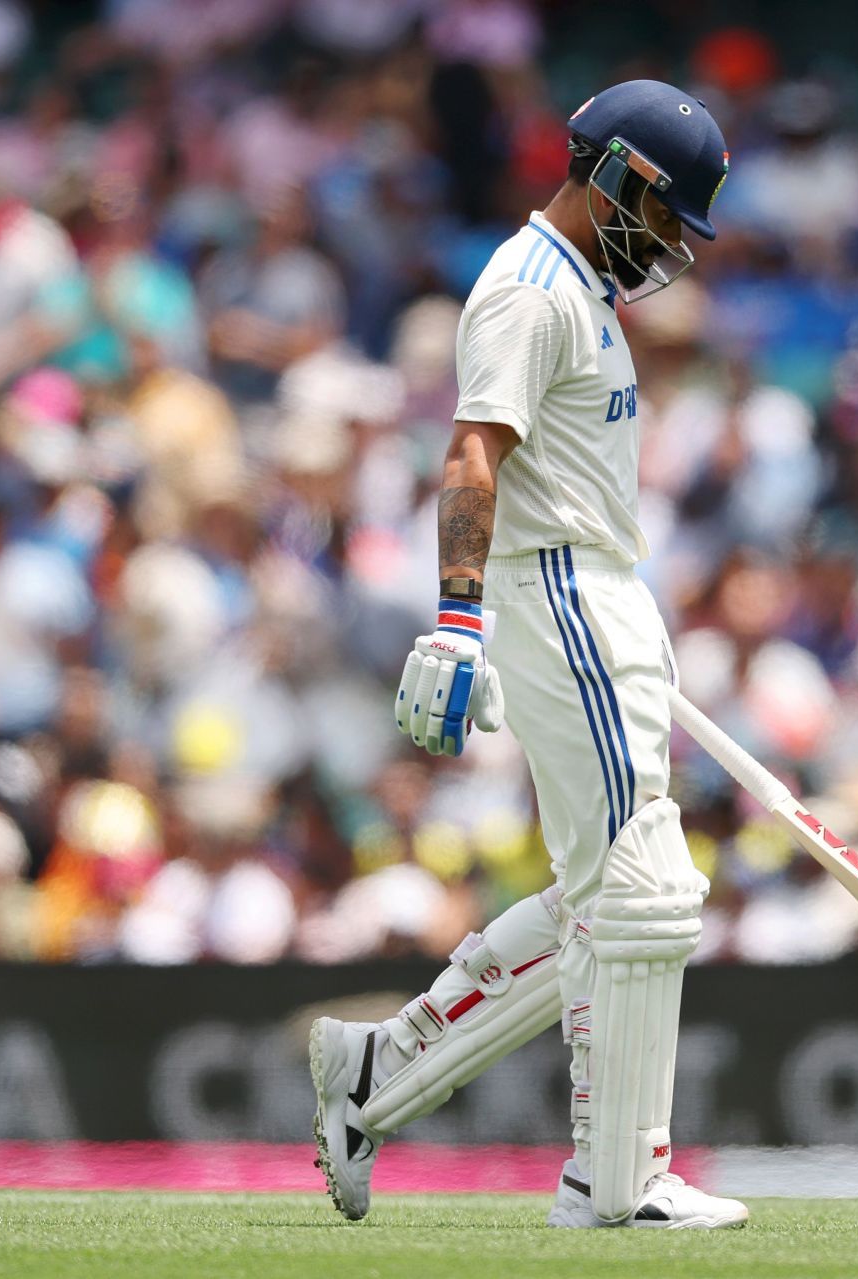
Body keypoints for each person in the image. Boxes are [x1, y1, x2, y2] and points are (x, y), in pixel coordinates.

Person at [308, 80, 746, 1230]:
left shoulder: (585, 292)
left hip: (599, 592)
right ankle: (617, 1179)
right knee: (637, 898)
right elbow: (469, 457)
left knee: (609, 897)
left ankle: (378, 1072)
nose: (667, 245)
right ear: (617, 178)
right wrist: (456, 621)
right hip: (556, 588)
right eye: (663, 214)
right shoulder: (530, 287)